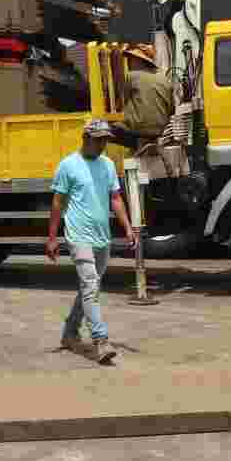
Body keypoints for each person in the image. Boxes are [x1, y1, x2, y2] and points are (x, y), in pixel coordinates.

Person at [45, 118, 138, 365]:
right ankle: (101, 340)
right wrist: (52, 238)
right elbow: (58, 203)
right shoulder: (68, 165)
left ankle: (70, 332)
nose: (102, 145)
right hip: (78, 236)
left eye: (105, 140)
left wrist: (127, 228)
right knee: (90, 287)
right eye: (98, 140)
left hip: (102, 237)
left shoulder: (107, 165)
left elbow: (115, 198)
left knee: (90, 288)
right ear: (85, 138)